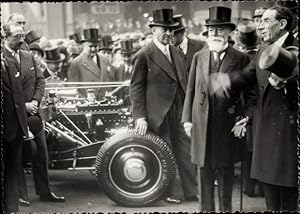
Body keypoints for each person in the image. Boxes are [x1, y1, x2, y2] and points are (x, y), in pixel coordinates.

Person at [210, 5, 298, 211]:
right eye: (260, 21)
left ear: (282, 24)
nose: (260, 26)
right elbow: (246, 76)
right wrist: (223, 81)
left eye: (266, 21)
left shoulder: (295, 47)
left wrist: (289, 82)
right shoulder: (262, 52)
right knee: (271, 197)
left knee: (288, 197)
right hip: (264, 135)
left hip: (287, 134)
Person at [181, 6, 254, 211]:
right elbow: (191, 90)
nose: (215, 33)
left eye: (220, 29)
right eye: (211, 29)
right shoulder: (199, 57)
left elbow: (251, 94)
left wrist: (246, 118)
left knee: (225, 176)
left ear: (229, 32)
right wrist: (187, 119)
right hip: (202, 126)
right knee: (203, 176)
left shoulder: (240, 58)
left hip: (226, 126)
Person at [130, 8, 198, 204]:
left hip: (179, 110)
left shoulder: (175, 51)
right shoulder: (144, 55)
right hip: (159, 113)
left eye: (171, 29)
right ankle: (165, 192)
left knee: (186, 151)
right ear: (153, 30)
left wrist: (189, 110)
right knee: (164, 153)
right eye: (164, 29)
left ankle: (191, 191)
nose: (169, 33)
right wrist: (140, 117)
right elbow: (136, 88)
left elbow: (183, 82)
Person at [2, 24, 30, 213]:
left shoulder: (11, 63)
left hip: (14, 128)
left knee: (13, 169)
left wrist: (24, 127)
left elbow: (18, 97)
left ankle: (11, 208)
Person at [236, 21, 264, 198]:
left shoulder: (240, 59)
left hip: (246, 109)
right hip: (262, 109)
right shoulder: (264, 56)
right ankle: (261, 187)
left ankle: (248, 187)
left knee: (247, 152)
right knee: (259, 149)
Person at [68, 28, 116, 100]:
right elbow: (73, 88)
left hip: (105, 103)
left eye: (95, 46)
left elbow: (111, 82)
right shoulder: (76, 63)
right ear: (84, 46)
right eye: (90, 46)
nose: (93, 49)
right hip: (88, 105)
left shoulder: (105, 60)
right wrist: (84, 101)